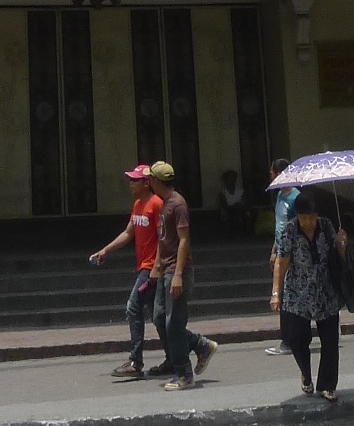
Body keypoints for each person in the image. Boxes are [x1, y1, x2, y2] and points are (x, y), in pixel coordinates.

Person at [89, 164, 166, 380]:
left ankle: (135, 361)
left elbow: (163, 238)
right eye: (130, 179)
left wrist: (157, 267)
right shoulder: (138, 204)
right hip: (144, 267)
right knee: (158, 318)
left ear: (146, 182)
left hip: (151, 269)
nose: (131, 183)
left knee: (133, 308)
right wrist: (105, 250)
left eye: (135, 180)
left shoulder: (156, 204)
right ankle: (179, 355)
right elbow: (128, 233)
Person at [271, 189, 348, 401]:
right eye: (304, 218)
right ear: (297, 216)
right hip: (298, 293)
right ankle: (305, 372)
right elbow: (282, 262)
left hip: (326, 290)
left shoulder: (326, 226)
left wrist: (342, 244)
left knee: (331, 340)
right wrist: (276, 293)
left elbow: (336, 254)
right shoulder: (289, 231)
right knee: (297, 339)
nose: (309, 222)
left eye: (312, 217)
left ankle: (327, 385)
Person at [149, 160, 218, 390]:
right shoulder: (164, 203)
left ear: (157, 181)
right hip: (165, 269)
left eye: (150, 178)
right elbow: (163, 238)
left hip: (178, 271)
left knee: (173, 324)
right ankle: (200, 345)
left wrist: (177, 274)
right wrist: (157, 264)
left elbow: (184, 240)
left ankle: (184, 375)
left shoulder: (178, 204)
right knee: (160, 317)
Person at [217, 169, 248, 234]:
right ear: (225, 180)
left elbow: (244, 203)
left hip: (239, 213)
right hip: (228, 214)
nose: (231, 180)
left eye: (233, 178)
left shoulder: (241, 191)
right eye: (229, 178)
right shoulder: (223, 193)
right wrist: (236, 206)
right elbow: (225, 206)